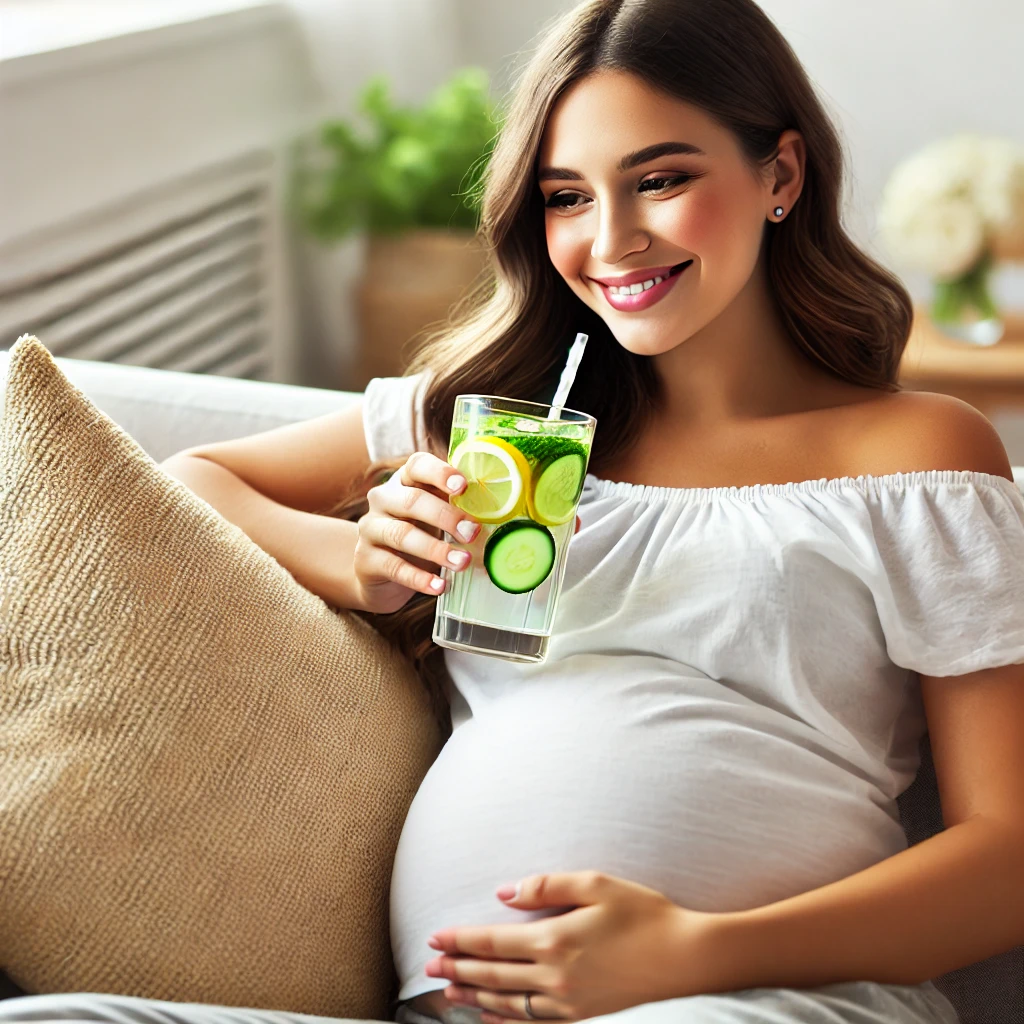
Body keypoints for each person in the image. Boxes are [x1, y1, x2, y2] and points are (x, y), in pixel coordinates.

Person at [4, 0, 1023, 1023]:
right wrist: (354, 557)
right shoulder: (500, 431)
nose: (611, 239)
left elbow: (1006, 854)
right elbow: (189, 481)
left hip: (753, 998)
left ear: (780, 175)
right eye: (566, 196)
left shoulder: (916, 457)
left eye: (660, 179)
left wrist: (694, 955)